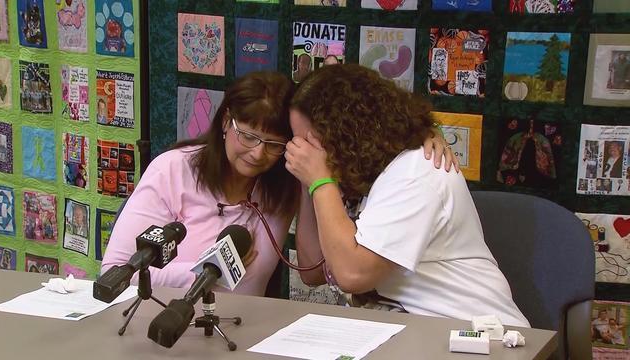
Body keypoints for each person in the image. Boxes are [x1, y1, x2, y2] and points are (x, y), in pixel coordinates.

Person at [101, 70, 455, 295]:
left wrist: (422, 131)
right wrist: (206, 274)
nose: (257, 154)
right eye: (248, 136)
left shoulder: (286, 180)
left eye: (274, 144)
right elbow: (117, 272)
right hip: (162, 313)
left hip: (243, 328)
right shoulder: (173, 171)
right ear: (227, 121)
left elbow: (316, 272)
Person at [285, 64, 529, 326]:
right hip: (410, 327)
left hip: (471, 331)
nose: (301, 152)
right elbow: (312, 270)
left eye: (308, 142)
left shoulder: (416, 172)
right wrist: (308, 180)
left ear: (346, 132)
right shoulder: (360, 175)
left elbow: (352, 274)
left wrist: (320, 181)